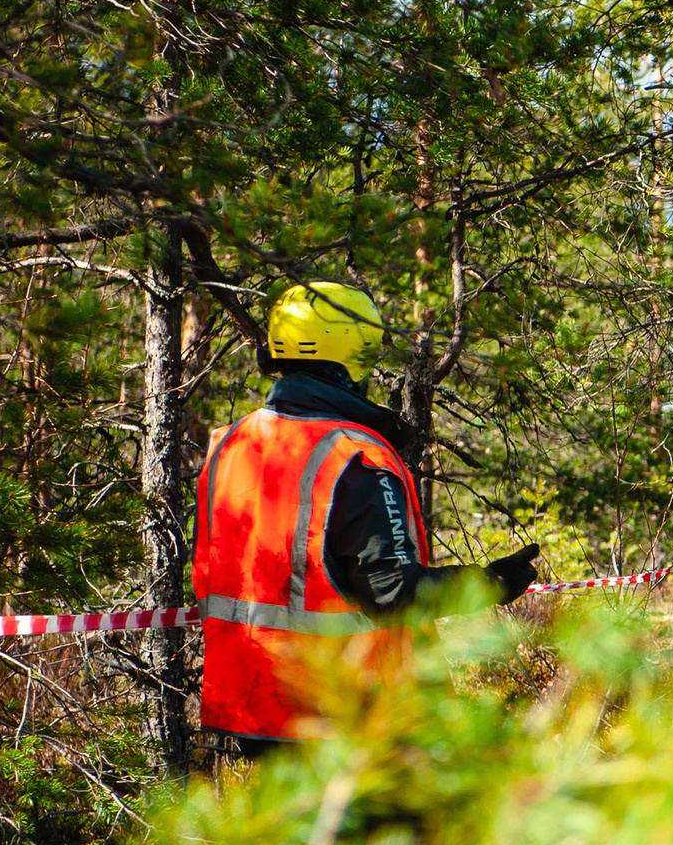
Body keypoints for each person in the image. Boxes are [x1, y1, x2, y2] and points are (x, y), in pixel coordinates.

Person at [194, 282, 540, 753]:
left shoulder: (231, 442)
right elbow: (392, 591)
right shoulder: (355, 456)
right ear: (351, 353)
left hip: (255, 709)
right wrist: (490, 583)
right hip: (348, 716)